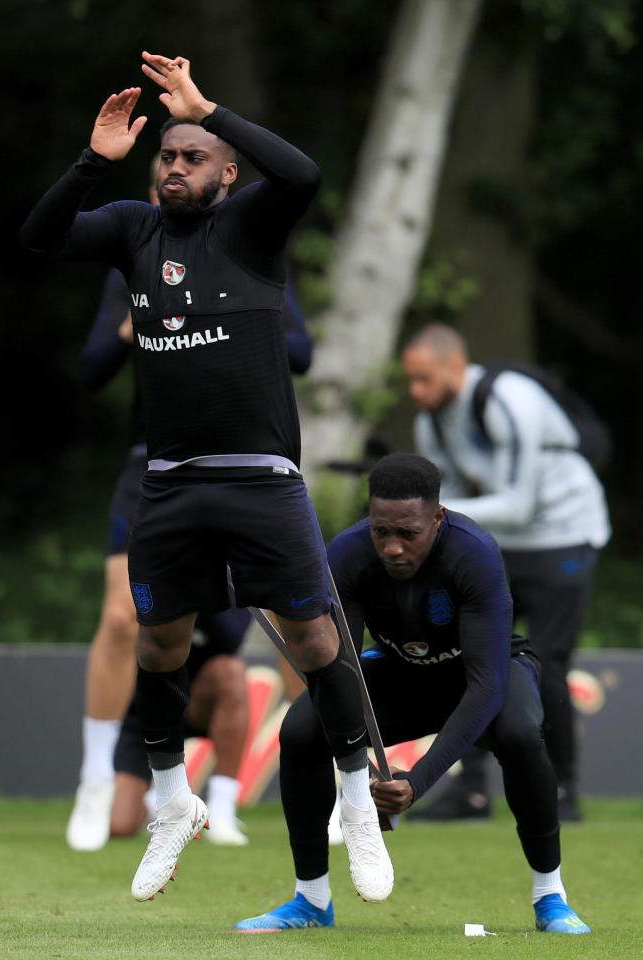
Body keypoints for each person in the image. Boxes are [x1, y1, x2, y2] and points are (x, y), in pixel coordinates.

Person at [21, 53, 392, 905]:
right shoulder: (131, 228)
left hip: (262, 481)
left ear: (227, 172)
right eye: (168, 156)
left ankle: (355, 799)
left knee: (316, 644)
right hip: (169, 483)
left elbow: (304, 171)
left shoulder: (256, 224)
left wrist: (208, 110)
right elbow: (38, 239)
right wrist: (93, 163)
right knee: (158, 646)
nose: (176, 167)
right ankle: (170, 802)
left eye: (193, 157)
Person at [234, 453, 591, 935]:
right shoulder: (348, 555)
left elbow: (486, 686)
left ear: (438, 519)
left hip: (484, 671)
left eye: (408, 533)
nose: (393, 548)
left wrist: (416, 783)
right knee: (300, 730)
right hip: (401, 672)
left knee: (521, 736)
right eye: (382, 531)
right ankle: (312, 900)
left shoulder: (475, 553)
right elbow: (341, 672)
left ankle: (551, 896)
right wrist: (360, 786)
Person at [67, 214, 314, 852]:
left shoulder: (252, 253)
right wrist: (136, 324)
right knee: (125, 620)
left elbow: (301, 353)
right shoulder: (135, 263)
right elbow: (92, 369)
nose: (170, 184)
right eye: (161, 172)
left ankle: (332, 784)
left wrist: (222, 316)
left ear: (223, 184)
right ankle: (99, 780)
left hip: (243, 462)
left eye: (188, 163)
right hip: (157, 466)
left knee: (294, 617)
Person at [401, 323, 610, 822]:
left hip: (563, 532)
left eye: (424, 379)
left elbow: (517, 504)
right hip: (498, 543)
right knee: (468, 654)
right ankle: (470, 791)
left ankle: (562, 791)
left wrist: (416, 508)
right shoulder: (431, 420)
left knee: (549, 659)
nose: (416, 392)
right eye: (410, 381)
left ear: (456, 365)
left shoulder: (508, 398)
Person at [110, 608, 252, 842]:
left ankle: (222, 811)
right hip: (147, 710)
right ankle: (155, 802)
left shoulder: (229, 577)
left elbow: (231, 635)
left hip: (198, 700)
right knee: (120, 825)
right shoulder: (154, 576)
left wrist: (191, 598)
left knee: (231, 672)